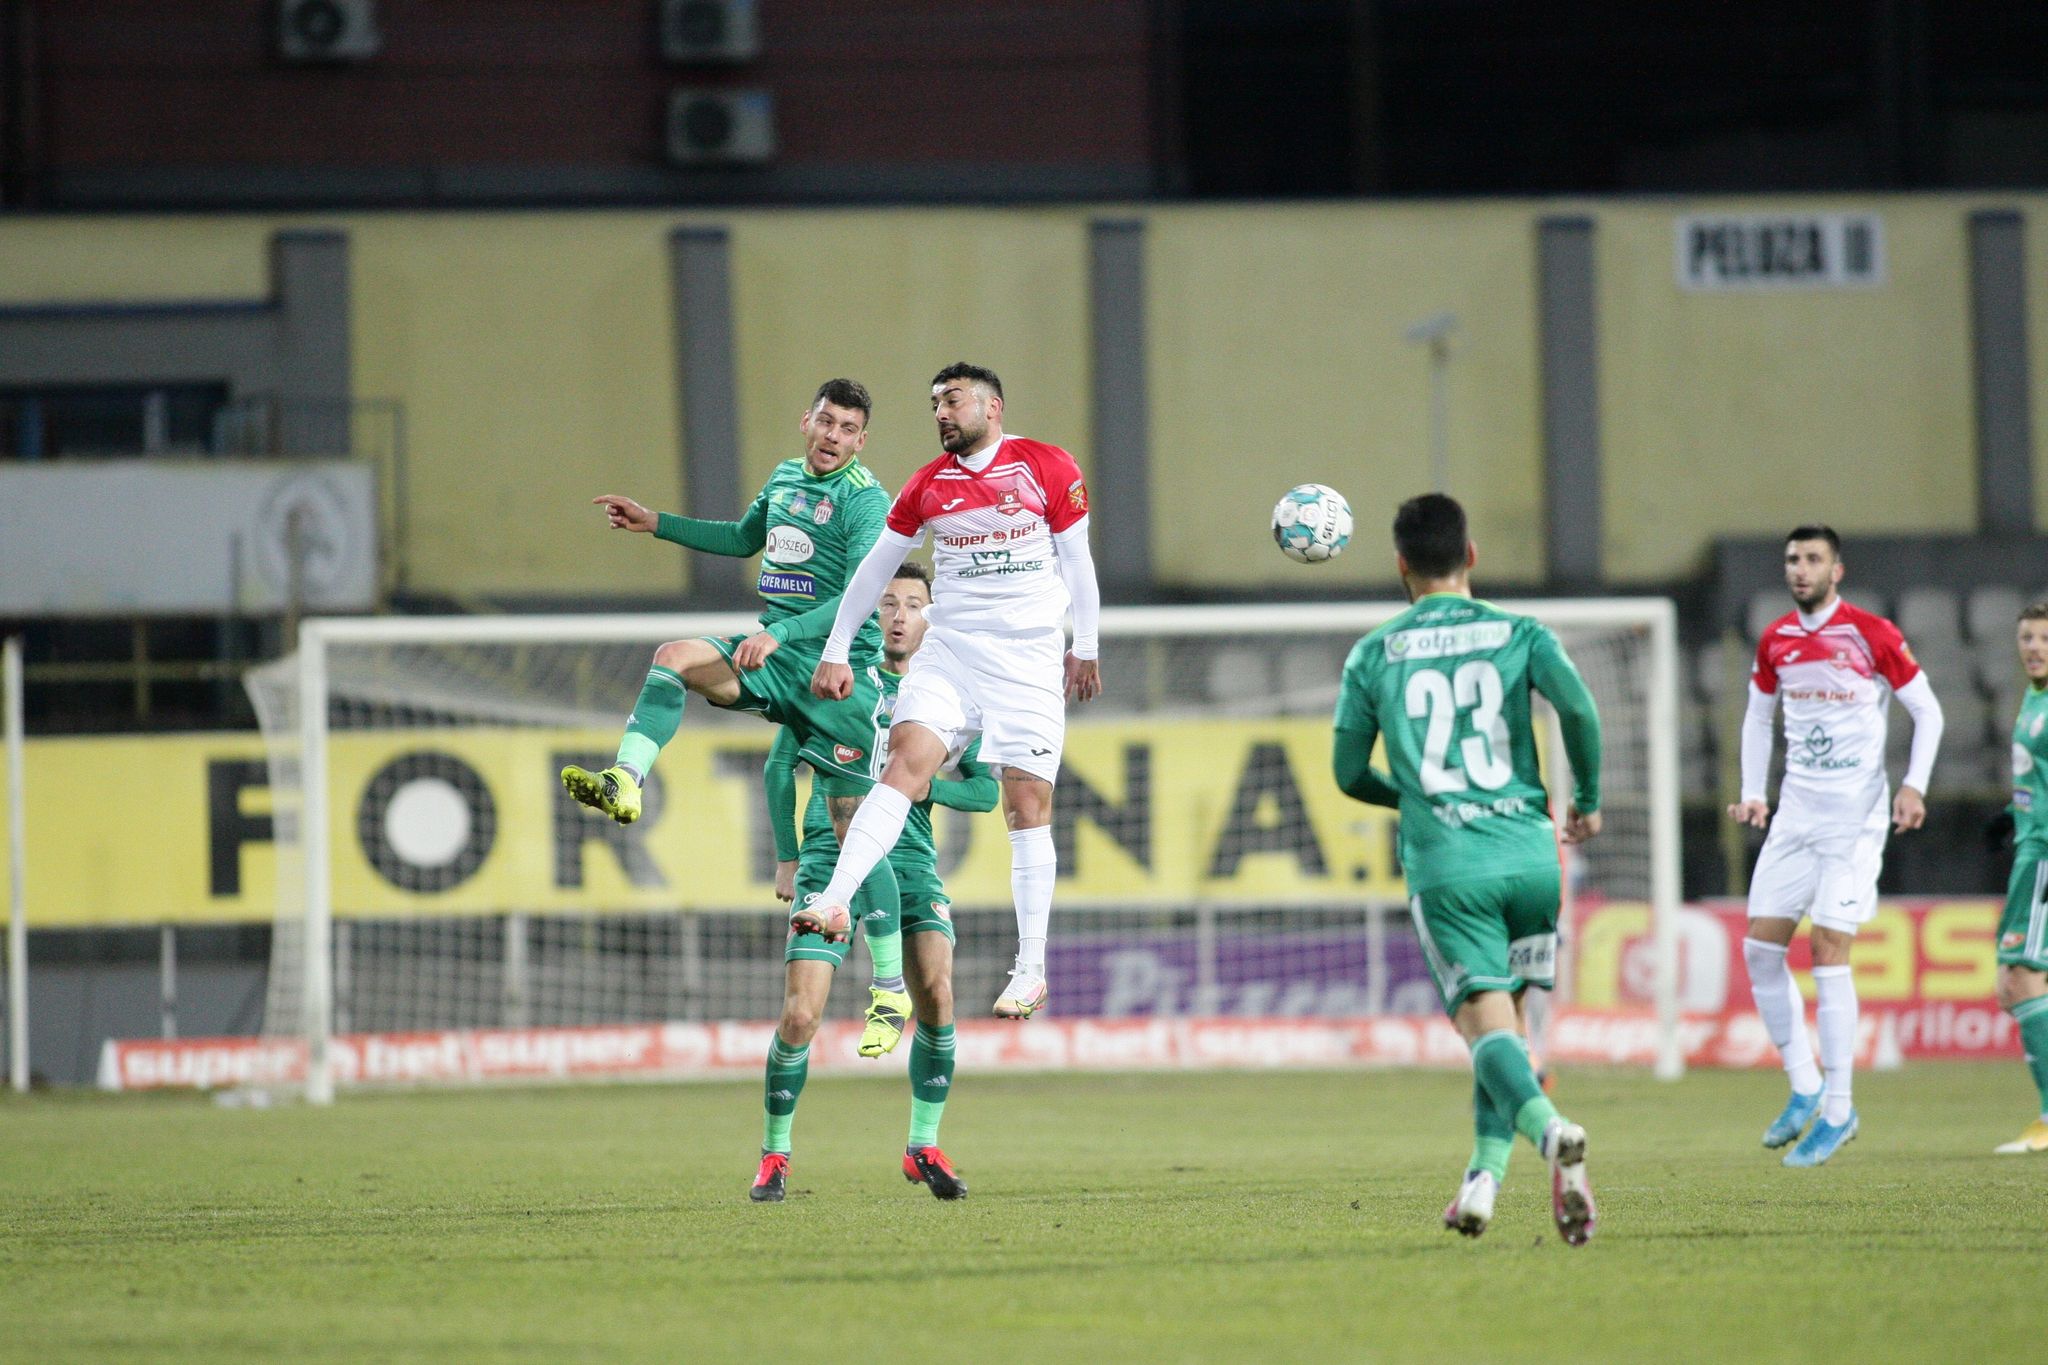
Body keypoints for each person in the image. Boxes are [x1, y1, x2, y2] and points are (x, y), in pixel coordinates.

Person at [560, 378, 910, 1049]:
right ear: (805, 420)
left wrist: (784, 633)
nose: (832, 437)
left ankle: (889, 990)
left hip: (840, 674)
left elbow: (862, 597)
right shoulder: (784, 477)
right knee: (676, 656)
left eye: (847, 429)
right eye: (825, 422)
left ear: (861, 440)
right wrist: (655, 522)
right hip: (776, 656)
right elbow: (745, 536)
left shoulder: (865, 500)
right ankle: (626, 781)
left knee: (849, 831)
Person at [1331, 492, 1603, 1246]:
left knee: (1483, 1024)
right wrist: (1586, 799)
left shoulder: (1375, 651)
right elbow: (1579, 710)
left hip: (1451, 863)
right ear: (1472, 555)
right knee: (1512, 1027)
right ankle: (1481, 1182)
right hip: (1530, 855)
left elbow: (1348, 772)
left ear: (1401, 565)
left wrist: (1417, 795)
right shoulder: (1521, 632)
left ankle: (1550, 1132)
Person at [793, 362, 1102, 1020]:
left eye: (952, 401)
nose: (940, 413)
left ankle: (1031, 967)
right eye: (935, 403)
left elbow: (1077, 558)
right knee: (904, 761)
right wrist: (837, 645)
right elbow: (876, 566)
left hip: (1027, 657)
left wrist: (1087, 644)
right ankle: (836, 898)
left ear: (991, 407)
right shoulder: (927, 485)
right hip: (952, 648)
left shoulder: (1048, 466)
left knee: (1025, 802)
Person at [751, 562, 998, 1202]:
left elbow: (984, 791)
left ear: (930, 619)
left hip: (912, 863)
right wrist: (785, 856)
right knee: (801, 1014)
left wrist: (921, 781)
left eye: (913, 604)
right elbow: (781, 766)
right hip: (829, 858)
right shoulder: (834, 680)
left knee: (939, 997)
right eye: (887, 602)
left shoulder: (950, 698)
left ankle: (923, 1146)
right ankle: (775, 1154)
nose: (898, 614)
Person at [1728, 526, 1943, 1168]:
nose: (1800, 569)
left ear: (1837, 570)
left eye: (1812, 559)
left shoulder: (1872, 634)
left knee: (1827, 948)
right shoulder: (1777, 640)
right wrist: (1753, 791)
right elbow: (1757, 717)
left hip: (1855, 816)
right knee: (1760, 950)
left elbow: (1928, 712)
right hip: (1796, 811)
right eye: (1792, 559)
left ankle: (1840, 1111)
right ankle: (1805, 1087)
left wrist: (1912, 786)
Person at [1990, 601, 2048, 1155]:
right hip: (2032, 847)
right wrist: (2015, 812)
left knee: (2020, 979)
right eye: (2027, 638)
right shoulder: (2034, 699)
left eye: (2044, 639)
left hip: (2046, 857)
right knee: (2017, 985)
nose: (2034, 647)